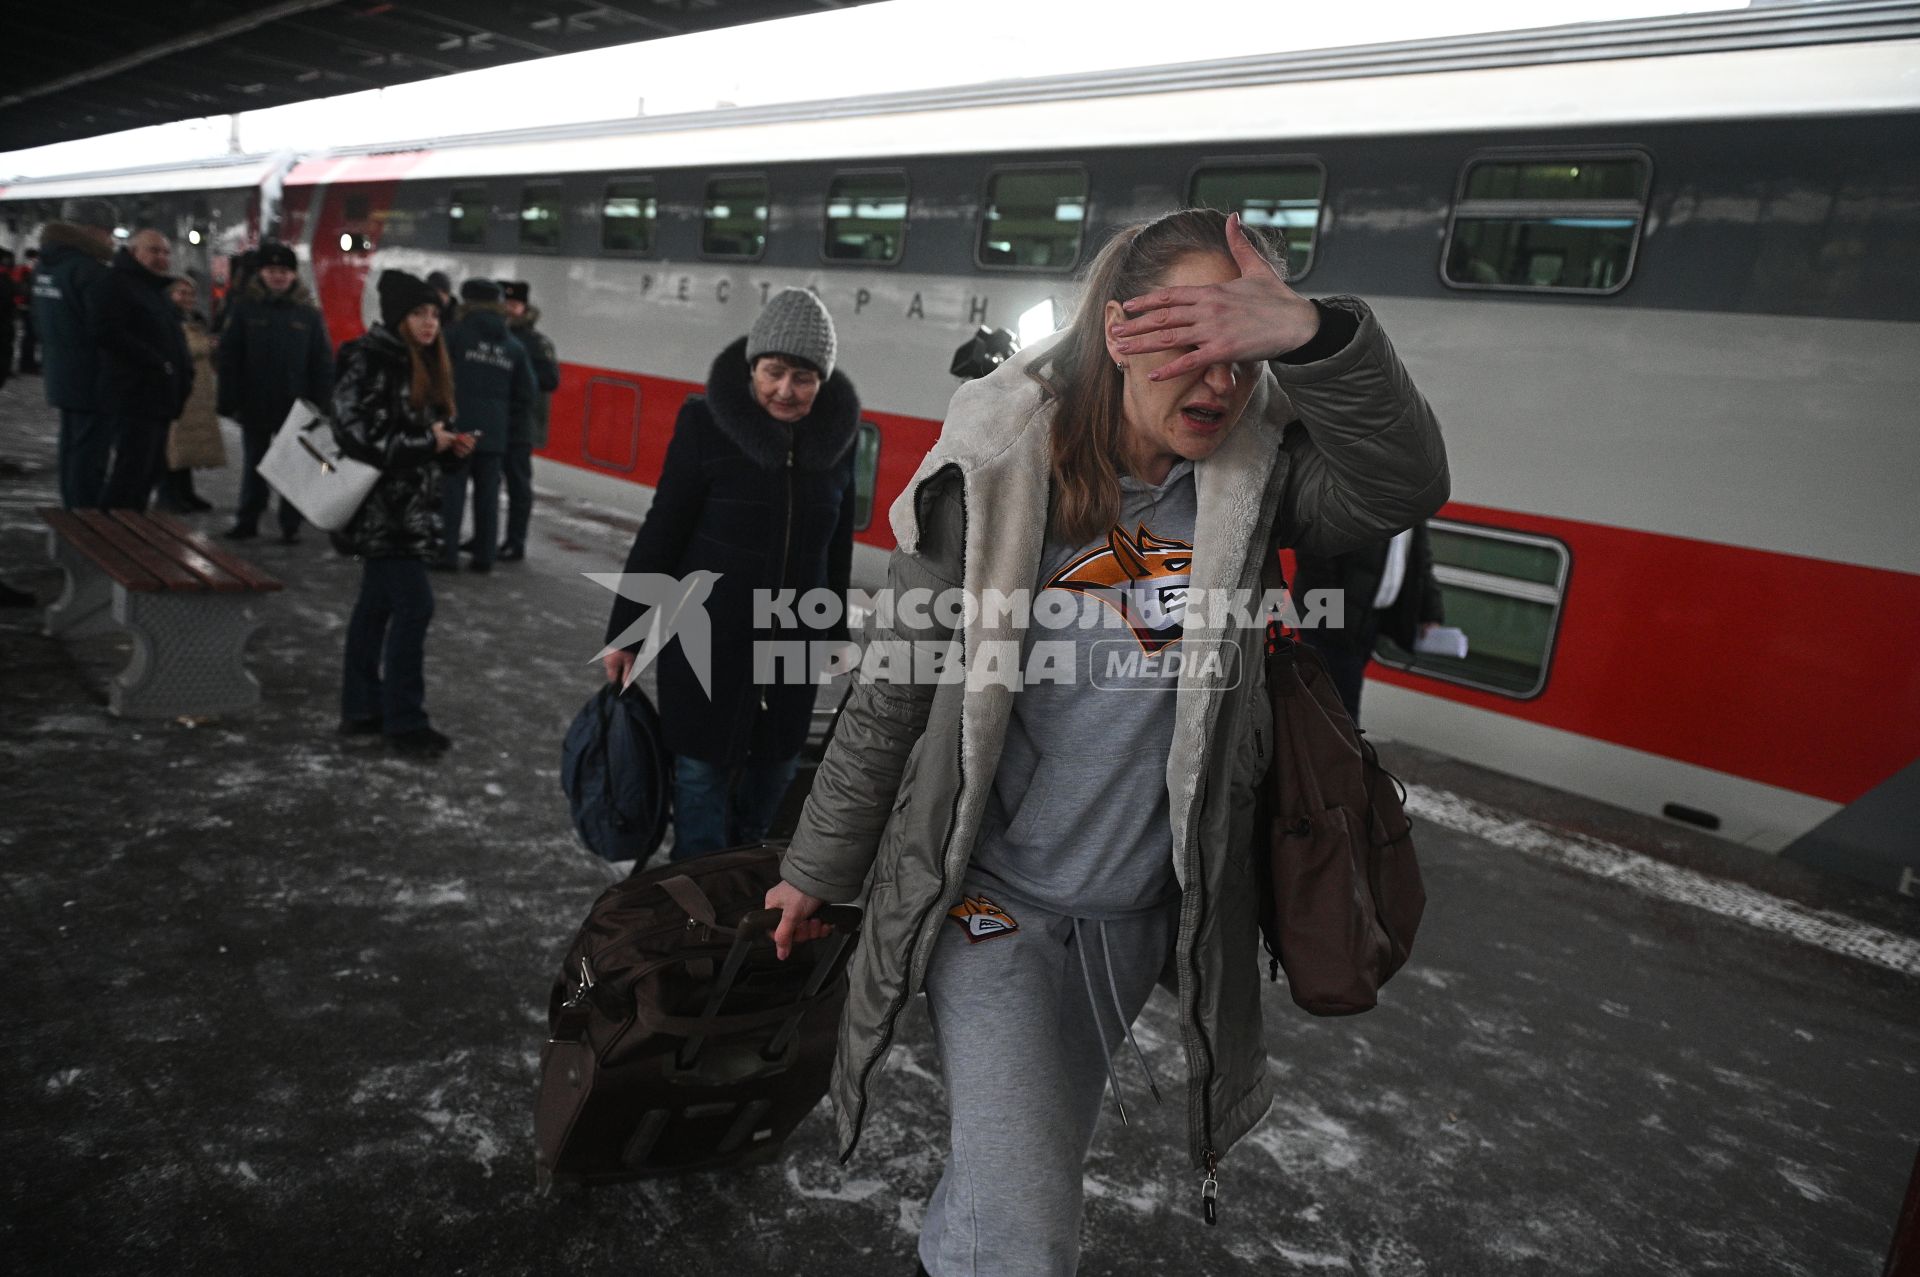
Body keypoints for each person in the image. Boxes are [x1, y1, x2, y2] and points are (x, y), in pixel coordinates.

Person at [761, 210, 1449, 1277]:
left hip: (1133, 922)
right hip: (991, 906)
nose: (1218, 383)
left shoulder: (1255, 483)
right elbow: (890, 692)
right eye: (1188, 346)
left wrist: (1313, 334)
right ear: (1119, 329)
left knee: (1007, 1191)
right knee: (1029, 1235)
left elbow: (1404, 485)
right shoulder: (993, 474)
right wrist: (816, 865)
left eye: (1238, 350)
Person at [601, 287, 860, 859]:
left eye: (803, 377)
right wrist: (627, 632)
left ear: (822, 381)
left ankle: (739, 901)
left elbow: (835, 549)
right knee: (699, 786)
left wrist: (835, 632)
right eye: (773, 372)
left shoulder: (837, 444)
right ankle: (693, 916)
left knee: (773, 783)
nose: (785, 391)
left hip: (791, 648)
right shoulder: (705, 426)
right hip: (705, 642)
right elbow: (662, 532)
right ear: (752, 367)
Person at [331, 269, 474, 757]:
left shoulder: (428, 364)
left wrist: (450, 451)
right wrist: (424, 442)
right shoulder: (368, 360)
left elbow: (423, 442)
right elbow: (355, 433)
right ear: (398, 317)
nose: (430, 323)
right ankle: (404, 721)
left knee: (375, 609)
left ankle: (361, 709)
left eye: (434, 314)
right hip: (380, 509)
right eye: (419, 313)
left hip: (410, 509)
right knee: (415, 606)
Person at [219, 240, 333, 542]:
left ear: (293, 275)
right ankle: (248, 519)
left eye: (284, 271)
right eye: (272, 270)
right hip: (254, 401)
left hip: (296, 406)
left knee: (294, 466)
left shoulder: (308, 314)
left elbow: (321, 361)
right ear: (262, 274)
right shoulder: (245, 308)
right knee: (254, 465)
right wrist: (229, 399)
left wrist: (322, 403)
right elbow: (230, 357)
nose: (278, 276)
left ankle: (290, 524)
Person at [1294, 524, 1446, 723]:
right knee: (1341, 710)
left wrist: (1431, 613)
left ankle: (1313, 749)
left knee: (1332, 705)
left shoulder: (1414, 507)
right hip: (1330, 620)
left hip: (1368, 620)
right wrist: (1332, 617)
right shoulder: (1364, 495)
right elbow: (1316, 551)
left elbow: (1421, 563)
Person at [437, 278, 534, 574]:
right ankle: (484, 557)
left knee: (452, 492)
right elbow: (527, 393)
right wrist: (501, 415)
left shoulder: (454, 335)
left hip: (458, 429)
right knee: (488, 497)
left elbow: (438, 378)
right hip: (494, 434)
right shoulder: (514, 346)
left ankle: (448, 554)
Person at [90, 229, 191, 511]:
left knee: (147, 473)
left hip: (158, 397)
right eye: (154, 250)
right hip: (135, 395)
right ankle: (114, 535)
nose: (162, 257)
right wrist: (158, 363)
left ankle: (129, 529)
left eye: (165, 252)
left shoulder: (154, 289)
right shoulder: (117, 284)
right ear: (134, 252)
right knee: (131, 472)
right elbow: (106, 331)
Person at [32, 198, 117, 508]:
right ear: (94, 230)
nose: (110, 239)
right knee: (90, 453)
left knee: (72, 446)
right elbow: (106, 329)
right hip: (92, 376)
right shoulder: (89, 271)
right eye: (108, 232)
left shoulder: (47, 265)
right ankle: (86, 519)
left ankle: (74, 510)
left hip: (62, 371)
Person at [499, 280, 560, 561]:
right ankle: (488, 538)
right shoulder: (494, 335)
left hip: (520, 424)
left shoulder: (535, 343)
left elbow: (551, 381)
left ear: (524, 307)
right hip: (495, 421)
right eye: (506, 304)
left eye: (515, 305)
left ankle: (516, 541)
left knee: (518, 486)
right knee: (488, 486)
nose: (510, 310)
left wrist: (519, 380)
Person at [157, 275, 221, 513]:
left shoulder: (195, 319)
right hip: (176, 391)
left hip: (196, 392)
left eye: (190, 294)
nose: (187, 298)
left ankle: (185, 492)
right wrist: (207, 345)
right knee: (174, 445)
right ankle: (168, 496)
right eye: (181, 293)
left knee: (187, 446)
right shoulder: (166, 319)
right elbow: (179, 349)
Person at [15, 249, 42, 374]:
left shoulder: (24, 270)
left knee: (30, 336)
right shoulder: (27, 271)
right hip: (28, 307)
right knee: (29, 337)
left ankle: (28, 362)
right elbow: (26, 290)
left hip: (26, 306)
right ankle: (27, 364)